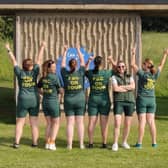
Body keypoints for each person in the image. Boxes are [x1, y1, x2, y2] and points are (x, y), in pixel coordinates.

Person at [5, 42, 46, 148]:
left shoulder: (20, 72)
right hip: (34, 99)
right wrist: (42, 47)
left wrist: (8, 49)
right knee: (34, 122)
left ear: (23, 66)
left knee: (20, 122)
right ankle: (35, 143)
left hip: (23, 99)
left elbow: (13, 61)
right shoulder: (35, 72)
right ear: (31, 66)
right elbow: (39, 60)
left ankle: (17, 143)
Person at [131, 47, 168, 148]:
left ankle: (139, 143)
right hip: (152, 100)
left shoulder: (143, 74)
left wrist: (133, 53)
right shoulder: (154, 75)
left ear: (146, 65)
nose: (142, 65)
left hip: (142, 100)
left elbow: (132, 65)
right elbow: (161, 65)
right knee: (151, 121)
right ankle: (154, 143)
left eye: (143, 64)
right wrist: (165, 54)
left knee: (142, 121)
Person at [85, 56, 114, 148]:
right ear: (102, 63)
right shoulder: (106, 73)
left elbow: (84, 70)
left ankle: (90, 143)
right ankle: (104, 143)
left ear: (94, 63)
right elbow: (116, 68)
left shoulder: (90, 73)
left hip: (93, 100)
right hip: (104, 100)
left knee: (91, 122)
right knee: (104, 122)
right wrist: (111, 60)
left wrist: (88, 61)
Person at [61, 45, 85, 150]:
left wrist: (65, 51)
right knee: (80, 123)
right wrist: (78, 50)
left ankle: (69, 145)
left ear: (69, 65)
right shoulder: (80, 72)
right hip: (80, 100)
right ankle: (81, 144)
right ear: (77, 65)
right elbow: (83, 61)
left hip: (68, 100)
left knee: (70, 123)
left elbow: (62, 64)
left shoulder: (65, 73)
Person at [38, 59, 63, 150]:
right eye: (53, 67)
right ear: (48, 69)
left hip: (45, 103)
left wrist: (44, 93)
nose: (55, 69)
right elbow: (60, 90)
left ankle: (47, 143)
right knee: (56, 123)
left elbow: (38, 88)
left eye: (55, 67)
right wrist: (62, 92)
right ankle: (52, 143)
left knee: (49, 123)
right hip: (53, 102)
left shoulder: (43, 77)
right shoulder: (55, 77)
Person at [111, 60, 135, 151]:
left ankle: (124, 142)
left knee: (127, 124)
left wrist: (122, 87)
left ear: (125, 67)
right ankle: (115, 143)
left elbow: (133, 87)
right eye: (119, 67)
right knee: (117, 123)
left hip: (130, 101)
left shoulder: (130, 76)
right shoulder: (114, 77)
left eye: (123, 66)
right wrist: (127, 87)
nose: (121, 68)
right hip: (119, 101)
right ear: (117, 68)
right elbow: (115, 88)